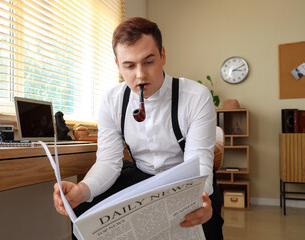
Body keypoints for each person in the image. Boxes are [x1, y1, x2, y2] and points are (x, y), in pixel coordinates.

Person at [53, 17, 224, 240]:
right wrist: (82, 190)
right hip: (140, 176)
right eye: (129, 65)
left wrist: (198, 198)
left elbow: (200, 161)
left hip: (188, 181)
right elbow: (108, 161)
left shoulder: (195, 97)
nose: (140, 75)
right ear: (117, 65)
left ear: (162, 55)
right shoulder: (111, 101)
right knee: (85, 211)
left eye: (148, 62)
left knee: (203, 225)